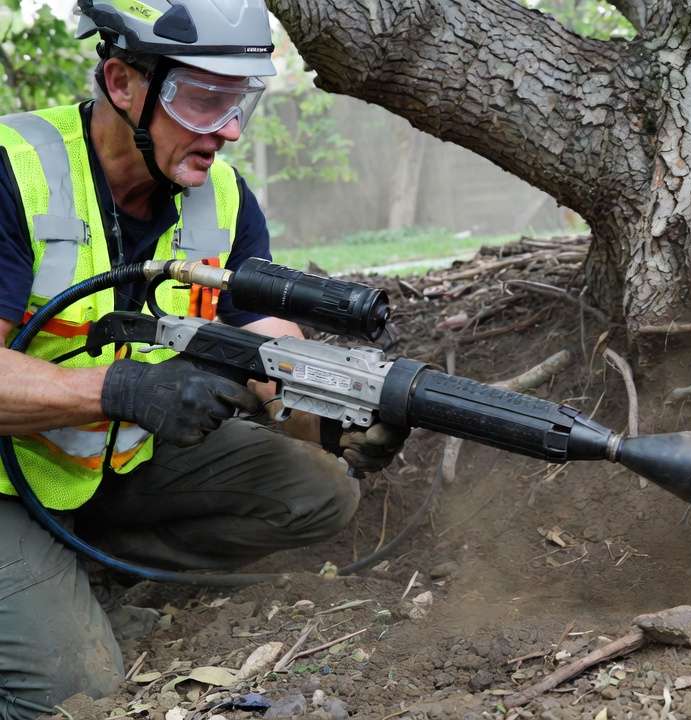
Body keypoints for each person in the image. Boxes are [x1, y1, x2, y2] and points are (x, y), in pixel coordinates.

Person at [0, 0, 406, 713]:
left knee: (322, 491)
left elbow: (268, 339)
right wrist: (120, 390)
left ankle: (80, 571)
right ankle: (46, 598)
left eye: (241, 101)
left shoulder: (218, 194)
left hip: (103, 469)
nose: (228, 130)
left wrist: (333, 407)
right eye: (204, 99)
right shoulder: (16, 173)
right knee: (74, 693)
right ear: (122, 83)